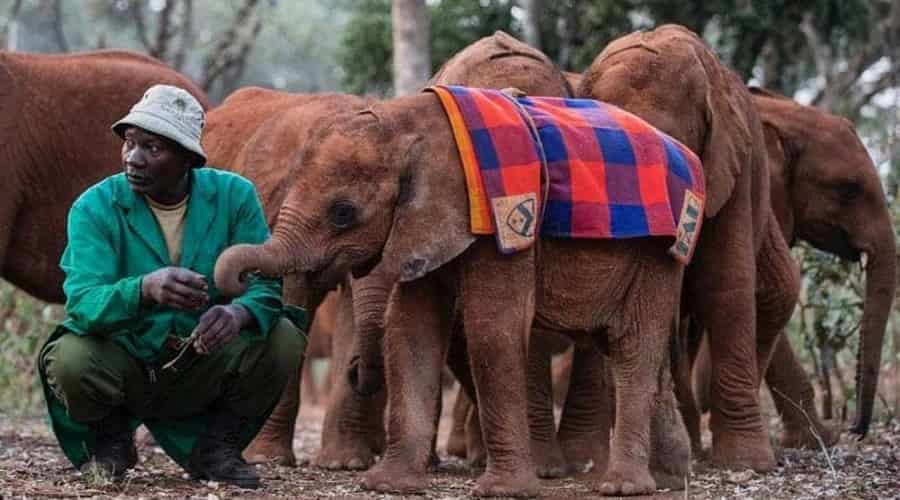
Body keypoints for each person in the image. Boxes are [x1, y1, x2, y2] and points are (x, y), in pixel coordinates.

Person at [38, 84, 307, 489]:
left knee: (284, 338)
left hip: (201, 361)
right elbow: (82, 303)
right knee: (70, 359)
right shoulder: (94, 207)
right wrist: (143, 290)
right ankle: (110, 442)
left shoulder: (235, 198)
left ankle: (218, 446)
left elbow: (266, 286)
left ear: (188, 159)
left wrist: (239, 313)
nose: (133, 158)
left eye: (152, 148)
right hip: (124, 359)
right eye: (129, 143)